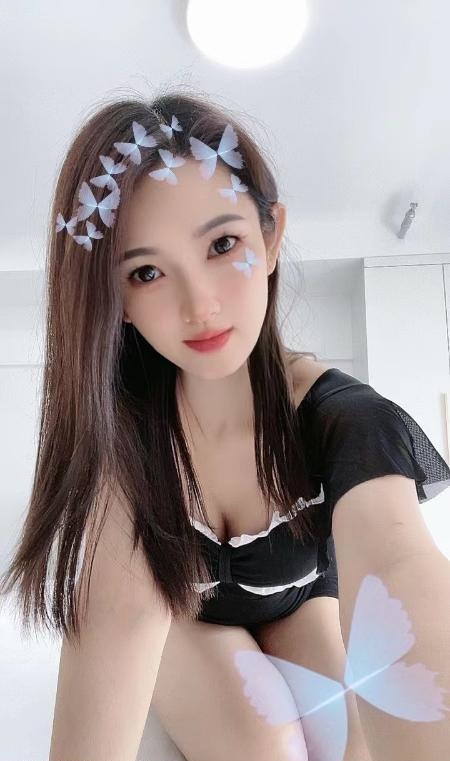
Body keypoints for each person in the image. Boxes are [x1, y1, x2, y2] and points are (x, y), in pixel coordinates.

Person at [1, 88, 449, 761]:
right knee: (266, 749)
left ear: (270, 237)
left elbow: (399, 562)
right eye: (147, 271)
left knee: (349, 745)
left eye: (222, 243)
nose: (200, 304)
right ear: (116, 301)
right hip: (188, 615)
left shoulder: (348, 422)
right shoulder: (130, 447)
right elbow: (116, 629)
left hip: (296, 603)